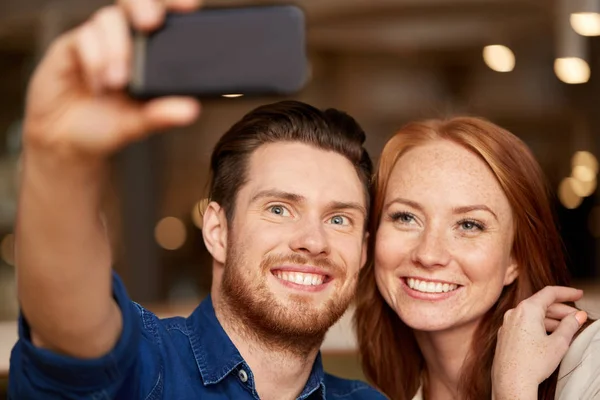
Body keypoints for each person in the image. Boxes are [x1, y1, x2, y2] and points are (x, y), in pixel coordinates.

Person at [7, 1, 385, 399]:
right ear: (217, 231)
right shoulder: (144, 367)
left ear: (362, 252)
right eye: (279, 209)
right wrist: (59, 159)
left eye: (339, 219)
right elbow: (70, 336)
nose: (313, 240)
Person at [354, 116, 600, 400]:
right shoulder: (386, 391)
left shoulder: (591, 363)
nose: (428, 254)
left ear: (515, 257)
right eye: (406, 217)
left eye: (469, 225)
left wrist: (513, 390)